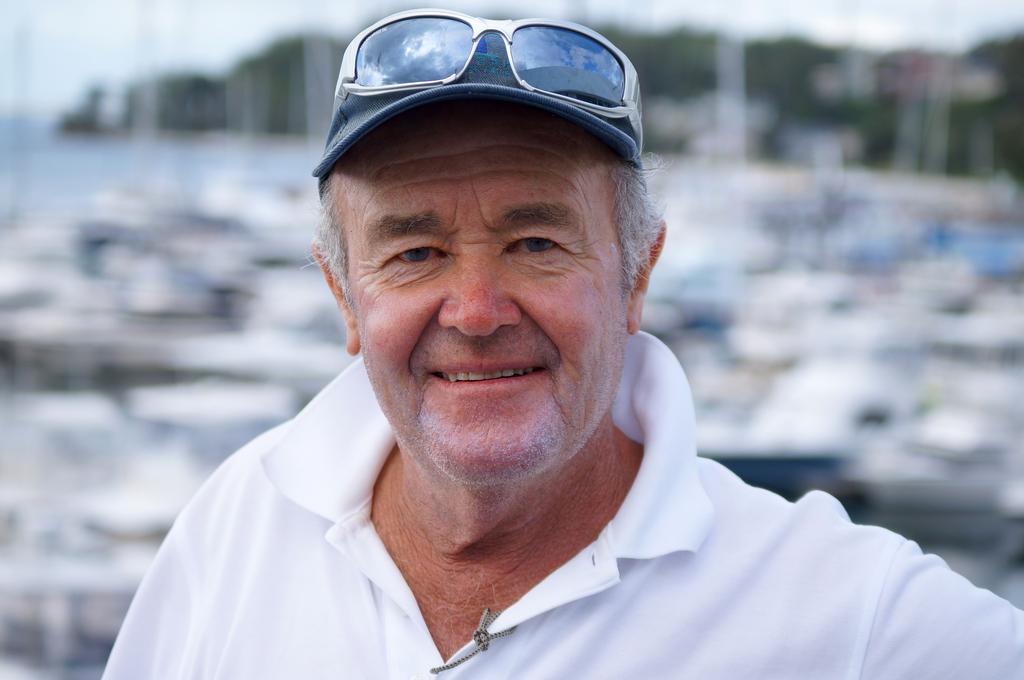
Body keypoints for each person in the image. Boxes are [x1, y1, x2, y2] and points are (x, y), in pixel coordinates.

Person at [103, 9, 1024, 679]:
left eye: (535, 243)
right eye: (415, 251)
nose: (474, 309)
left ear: (636, 274)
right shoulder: (240, 522)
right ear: (344, 295)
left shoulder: (849, 611)